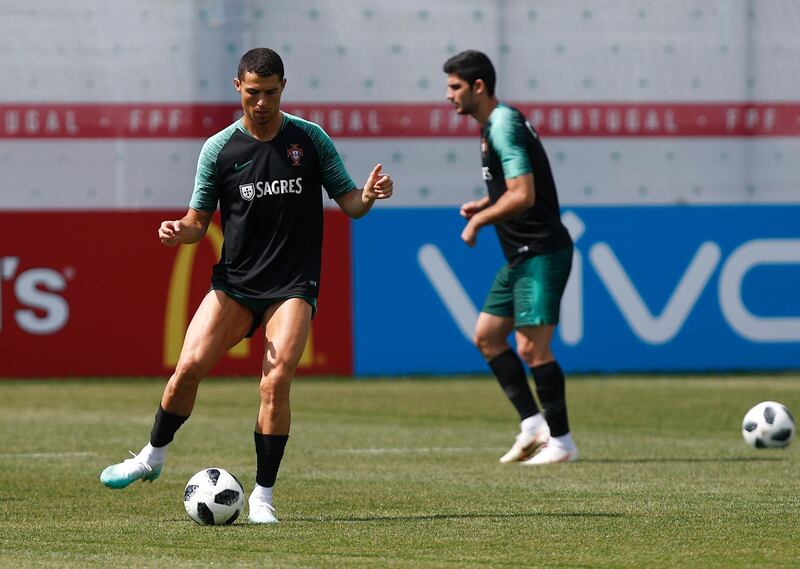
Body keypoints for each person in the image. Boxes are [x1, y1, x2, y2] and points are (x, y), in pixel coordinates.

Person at [100, 48, 394, 522]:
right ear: (238, 86)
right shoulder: (219, 149)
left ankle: (262, 497)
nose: (262, 102)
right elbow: (198, 222)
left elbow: (352, 204)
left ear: (283, 88)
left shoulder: (310, 140)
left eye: (271, 93)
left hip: (292, 285)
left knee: (275, 381)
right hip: (235, 284)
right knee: (188, 367)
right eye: (253, 92)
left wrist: (370, 196)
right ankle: (151, 456)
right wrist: (180, 230)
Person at [443, 50, 577, 465]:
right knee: (487, 336)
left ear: (478, 86)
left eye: (454, 87)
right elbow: (513, 190)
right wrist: (485, 202)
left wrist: (480, 220)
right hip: (519, 256)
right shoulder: (492, 126)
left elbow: (524, 195)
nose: (448, 96)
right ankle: (534, 425)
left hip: (541, 251)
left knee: (532, 348)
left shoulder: (503, 126)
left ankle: (563, 442)